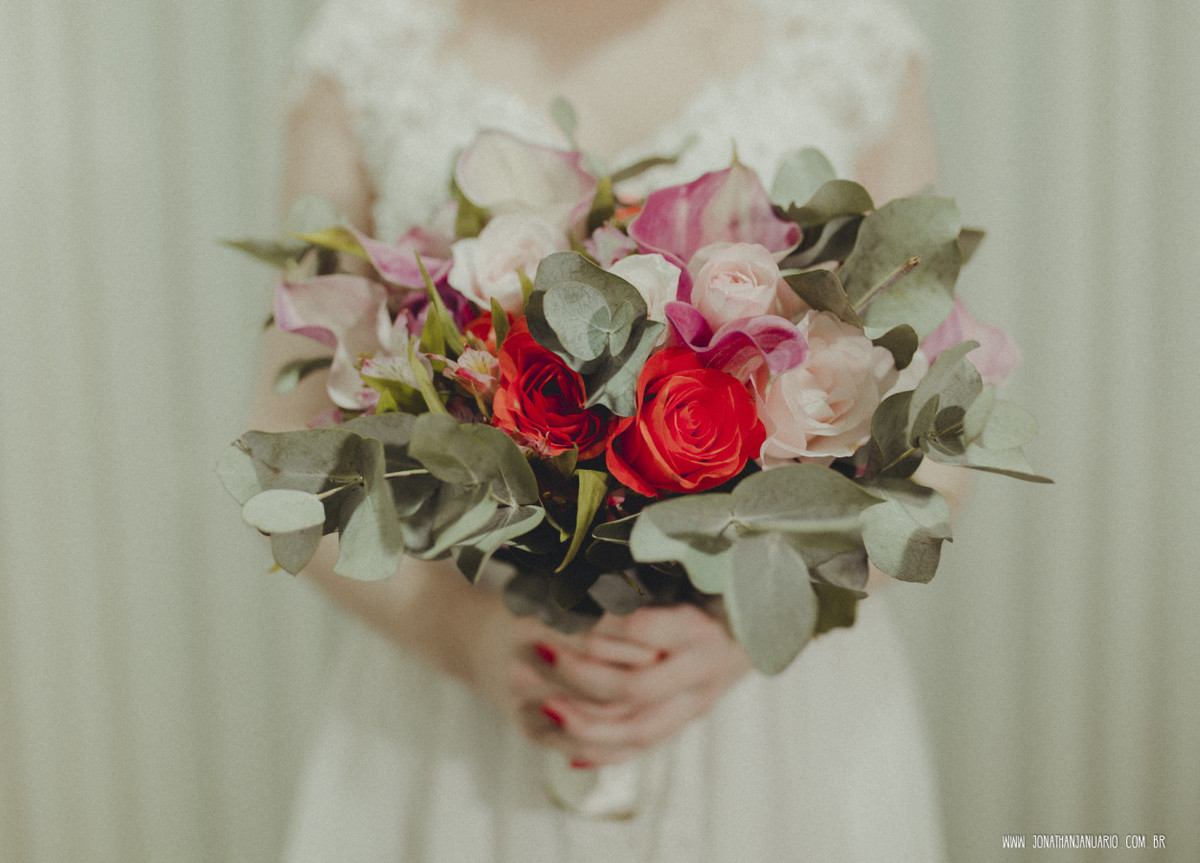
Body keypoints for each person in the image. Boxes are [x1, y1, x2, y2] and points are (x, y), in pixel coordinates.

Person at [254, 0, 954, 858]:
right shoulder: (369, 48)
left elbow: (931, 445)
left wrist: (746, 630)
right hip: (466, 704)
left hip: (770, 710)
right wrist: (469, 637)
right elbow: (285, 442)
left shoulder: (851, 42)